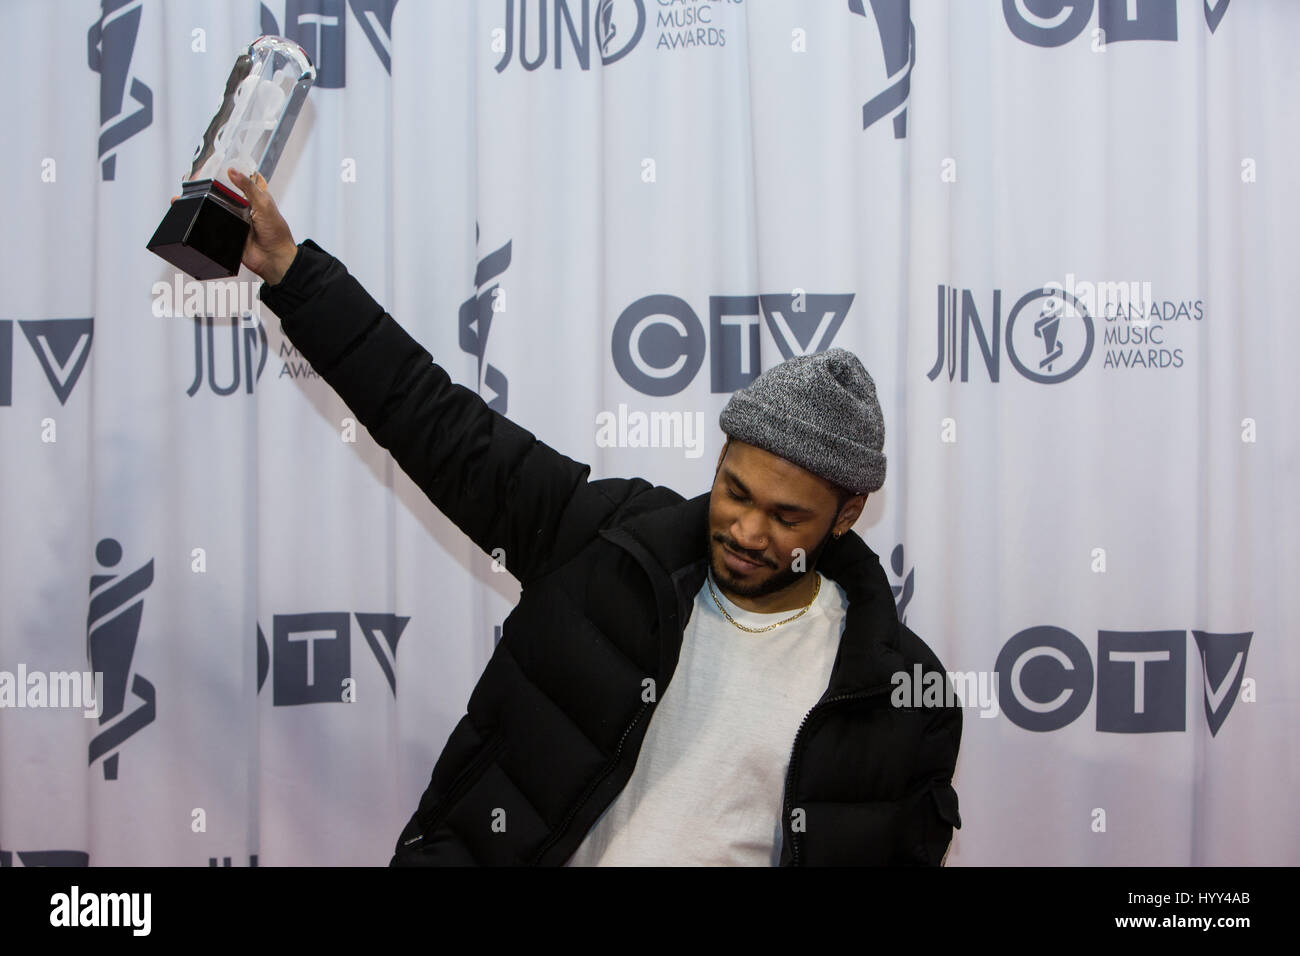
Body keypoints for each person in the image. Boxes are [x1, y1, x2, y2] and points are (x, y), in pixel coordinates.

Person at [224, 167, 962, 866]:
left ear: (847, 514)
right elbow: (441, 430)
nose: (745, 531)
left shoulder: (899, 694)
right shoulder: (608, 540)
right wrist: (294, 273)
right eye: (735, 491)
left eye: (785, 517)